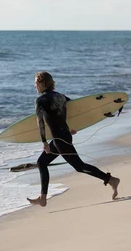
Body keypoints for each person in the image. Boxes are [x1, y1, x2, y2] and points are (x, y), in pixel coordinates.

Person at [27, 71, 120, 207]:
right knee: (41, 162)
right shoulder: (61, 97)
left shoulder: (40, 101)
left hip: (59, 139)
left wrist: (44, 142)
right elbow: (76, 112)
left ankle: (111, 179)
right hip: (64, 136)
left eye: (36, 82)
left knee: (79, 166)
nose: (34, 85)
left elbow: (40, 122)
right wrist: (73, 127)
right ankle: (43, 197)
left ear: (43, 83)